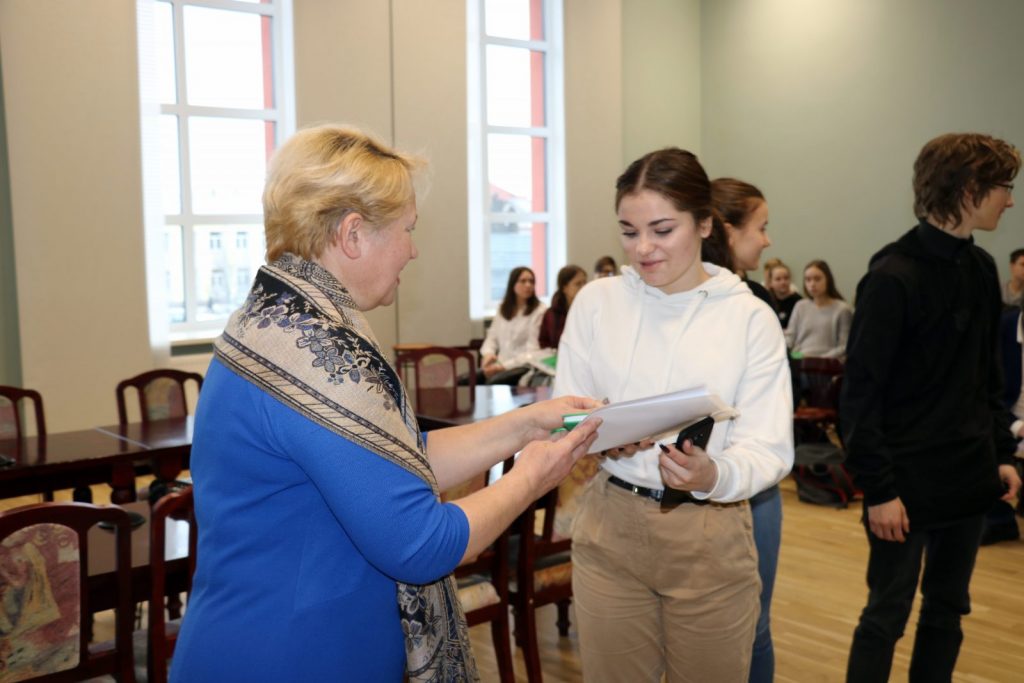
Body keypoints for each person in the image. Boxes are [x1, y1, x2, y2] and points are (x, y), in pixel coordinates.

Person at [170, 124, 602, 683]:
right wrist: (532, 477)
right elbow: (422, 543)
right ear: (353, 234)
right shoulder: (319, 354)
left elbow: (391, 465)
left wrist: (527, 425)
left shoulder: (280, 320)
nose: (413, 249)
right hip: (288, 656)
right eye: (407, 230)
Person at [554, 148, 793, 682]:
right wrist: (596, 437)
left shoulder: (749, 317)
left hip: (708, 532)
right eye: (629, 231)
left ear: (705, 223)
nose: (643, 248)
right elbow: (566, 410)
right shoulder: (597, 303)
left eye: (662, 230)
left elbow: (769, 447)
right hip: (609, 525)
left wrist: (714, 474)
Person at [840, 132, 1023, 682]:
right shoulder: (892, 276)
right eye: (1003, 187)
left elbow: (987, 378)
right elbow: (860, 396)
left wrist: (1000, 454)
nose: (1010, 200)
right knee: (886, 616)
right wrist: (879, 490)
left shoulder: (981, 268)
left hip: (966, 477)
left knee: (947, 610)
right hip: (904, 485)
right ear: (968, 190)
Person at [710, 177, 786, 683]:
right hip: (702, 478)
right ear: (726, 230)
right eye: (760, 227)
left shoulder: (756, 301)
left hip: (754, 482)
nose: (767, 239)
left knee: (755, 624)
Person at [479, 266, 546, 384]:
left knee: (491, 383)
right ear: (512, 284)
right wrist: (488, 355)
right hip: (500, 363)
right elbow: (492, 338)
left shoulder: (539, 310)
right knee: (465, 380)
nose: (528, 285)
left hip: (522, 366)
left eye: (531, 281)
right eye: (523, 281)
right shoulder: (503, 308)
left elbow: (533, 350)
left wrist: (503, 366)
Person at [785, 259, 853, 359]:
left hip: (827, 362)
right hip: (800, 359)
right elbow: (790, 337)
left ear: (828, 280)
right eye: (808, 280)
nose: (812, 284)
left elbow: (844, 346)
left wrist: (819, 359)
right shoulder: (800, 306)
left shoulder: (842, 309)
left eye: (817, 279)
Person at [539, 264, 587, 350]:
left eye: (585, 283)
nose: (583, 287)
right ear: (564, 288)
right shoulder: (551, 314)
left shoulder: (589, 310)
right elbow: (544, 342)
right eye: (578, 284)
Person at [766, 261, 802, 329]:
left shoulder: (799, 302)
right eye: (778, 279)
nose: (783, 282)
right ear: (770, 282)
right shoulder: (767, 301)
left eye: (786, 278)